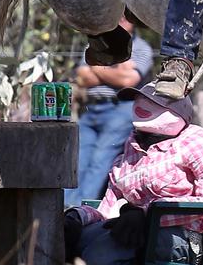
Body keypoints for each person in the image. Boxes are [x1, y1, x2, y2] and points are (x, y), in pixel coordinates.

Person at [64, 83, 203, 265]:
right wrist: (77, 218)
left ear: (178, 108)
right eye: (137, 100)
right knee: (69, 242)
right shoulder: (132, 145)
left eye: (153, 102)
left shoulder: (195, 141)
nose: (140, 106)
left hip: (184, 237)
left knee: (100, 253)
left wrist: (148, 214)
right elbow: (109, 206)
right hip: (130, 230)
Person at [65, 16, 153, 206]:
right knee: (77, 159)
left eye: (126, 15)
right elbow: (81, 77)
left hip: (120, 109)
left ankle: (80, 210)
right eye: (118, 13)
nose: (122, 18)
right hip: (90, 108)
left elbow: (128, 81)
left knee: (100, 159)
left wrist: (95, 67)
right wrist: (116, 72)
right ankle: (63, 207)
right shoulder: (98, 42)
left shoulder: (141, 48)